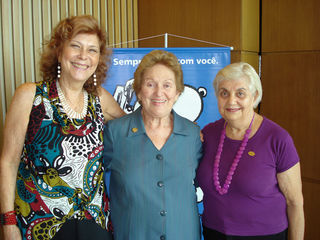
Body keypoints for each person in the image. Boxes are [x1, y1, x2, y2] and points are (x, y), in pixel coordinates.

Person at [0, 15, 125, 240]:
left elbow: (135, 127)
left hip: (93, 222)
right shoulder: (30, 95)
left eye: (92, 50)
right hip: (39, 224)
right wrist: (7, 223)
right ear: (59, 52)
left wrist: (180, 127)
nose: (83, 57)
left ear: (99, 58)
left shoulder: (100, 99)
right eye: (75, 46)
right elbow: (8, 162)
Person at [196, 62, 304, 240]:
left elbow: (295, 202)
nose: (231, 100)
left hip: (265, 235)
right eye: (224, 93)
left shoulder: (277, 139)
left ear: (254, 96)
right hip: (213, 233)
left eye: (240, 93)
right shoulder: (208, 134)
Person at [103, 49, 202, 240]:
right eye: (150, 84)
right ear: (139, 91)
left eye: (167, 85)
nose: (159, 92)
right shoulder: (115, 133)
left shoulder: (193, 135)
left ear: (177, 93)